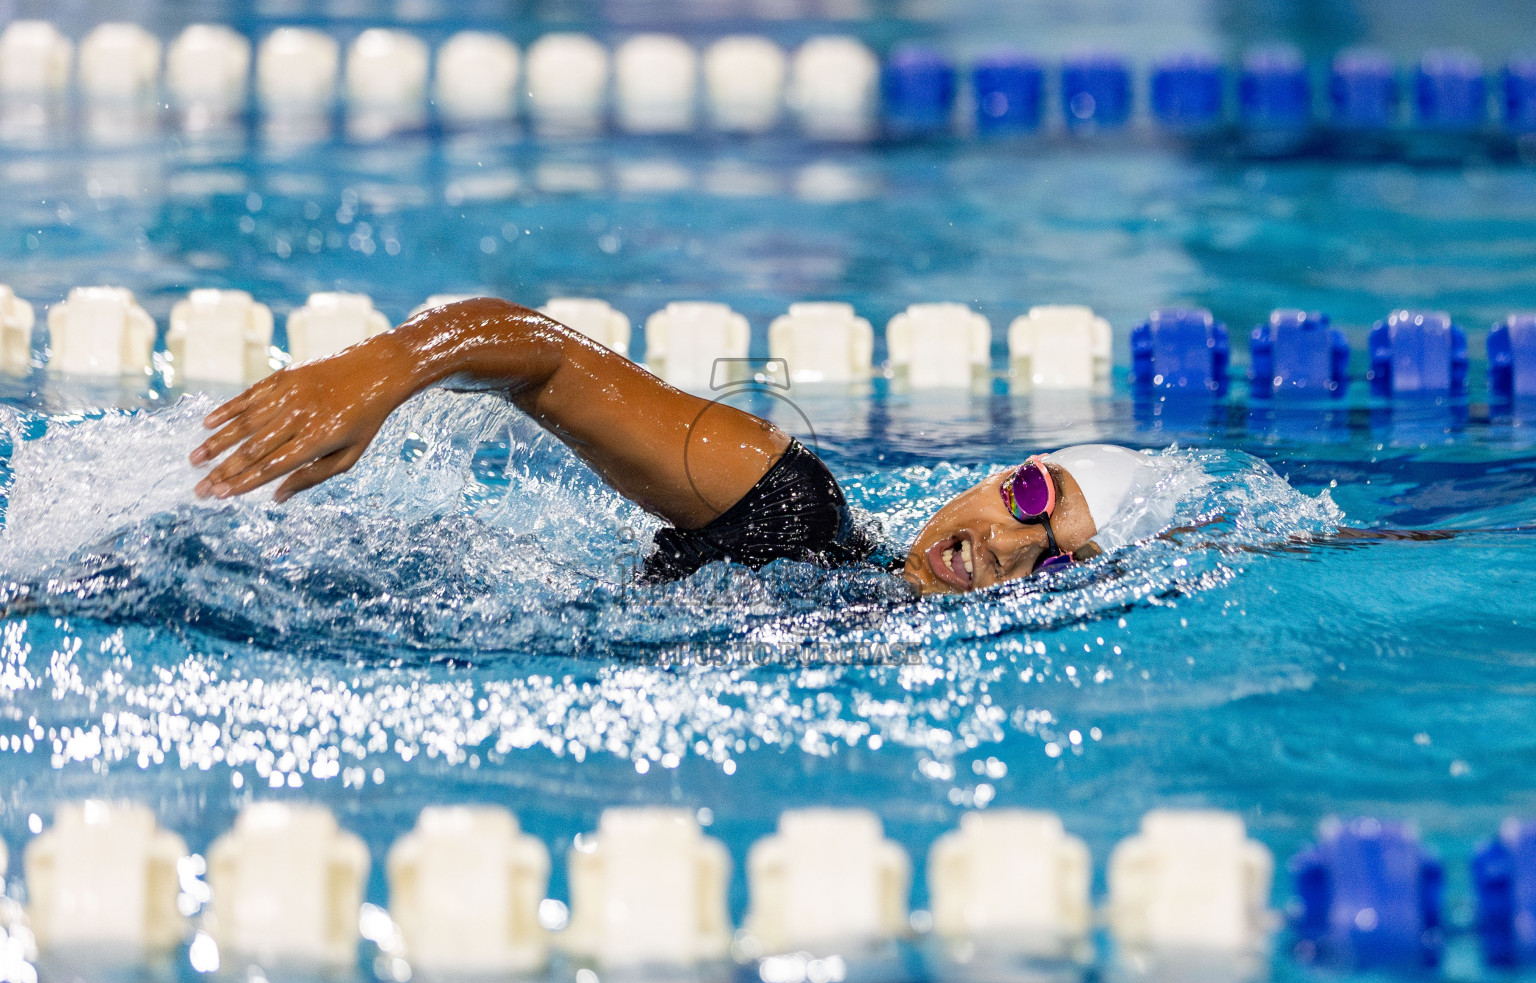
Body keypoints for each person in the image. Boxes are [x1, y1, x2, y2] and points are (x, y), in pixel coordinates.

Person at [189, 298, 1160, 596]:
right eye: (1035, 498)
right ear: (1002, 478)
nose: (1013, 544)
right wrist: (381, 368)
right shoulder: (790, 511)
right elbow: (546, 361)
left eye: (1060, 561)